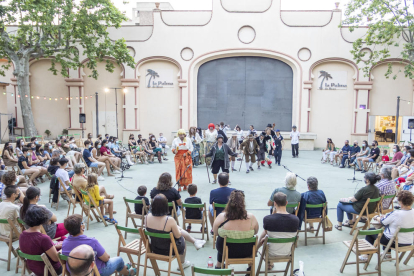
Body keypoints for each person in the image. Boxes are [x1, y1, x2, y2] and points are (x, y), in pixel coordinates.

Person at [62, 214, 137, 276]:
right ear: (81, 226)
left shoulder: (65, 243)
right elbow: (106, 258)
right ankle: (128, 273)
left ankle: (123, 268)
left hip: (76, 273)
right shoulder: (91, 241)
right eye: (83, 222)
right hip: (96, 272)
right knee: (119, 260)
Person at [145, 194, 206, 270]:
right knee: (181, 238)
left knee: (176, 229)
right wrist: (179, 230)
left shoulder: (147, 217)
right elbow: (178, 236)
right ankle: (182, 263)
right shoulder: (169, 220)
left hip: (155, 248)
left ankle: (195, 241)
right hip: (170, 249)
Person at [360, 190, 414, 261]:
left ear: (400, 202)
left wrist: (377, 217)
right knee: (389, 231)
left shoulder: (396, 213)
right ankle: (387, 253)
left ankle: (365, 255)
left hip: (393, 242)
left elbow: (383, 222)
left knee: (371, 231)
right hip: (408, 243)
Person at [213, 190, 259, 270]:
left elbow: (216, 233)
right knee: (250, 240)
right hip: (246, 251)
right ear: (243, 203)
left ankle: (219, 264)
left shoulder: (221, 217)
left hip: (226, 251)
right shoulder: (251, 218)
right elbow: (256, 231)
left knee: (222, 239)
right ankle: (250, 268)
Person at [258, 192, 299, 270]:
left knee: (265, 244)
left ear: (274, 203)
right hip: (287, 253)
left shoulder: (267, 219)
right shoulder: (295, 220)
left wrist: (272, 214)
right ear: (286, 203)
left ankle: (266, 259)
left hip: (270, 253)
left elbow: (266, 232)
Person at [19, 206, 62, 276]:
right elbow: (56, 259)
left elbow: (35, 250)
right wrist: (62, 250)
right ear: (43, 219)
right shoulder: (43, 238)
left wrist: (53, 247)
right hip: (50, 270)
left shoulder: (22, 235)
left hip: (34, 268)